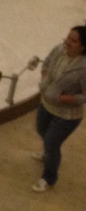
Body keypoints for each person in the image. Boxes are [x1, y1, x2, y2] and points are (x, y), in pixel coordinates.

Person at [32, 26, 86, 192]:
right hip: (47, 104)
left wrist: (63, 98)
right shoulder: (59, 50)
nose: (67, 42)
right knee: (41, 129)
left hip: (67, 114)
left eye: (73, 40)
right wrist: (45, 79)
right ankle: (48, 153)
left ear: (83, 47)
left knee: (52, 143)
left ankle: (49, 177)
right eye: (68, 37)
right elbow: (47, 62)